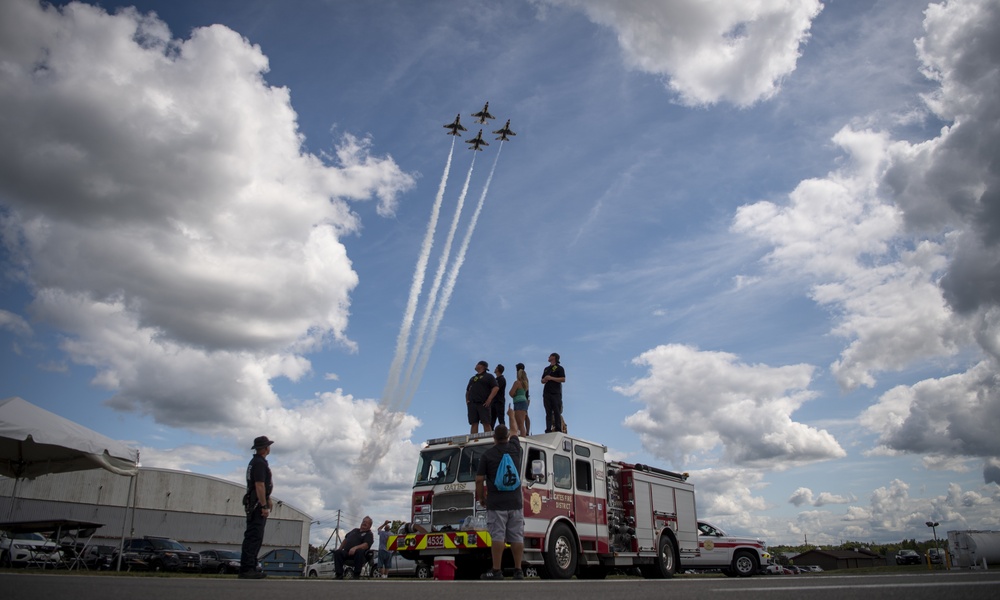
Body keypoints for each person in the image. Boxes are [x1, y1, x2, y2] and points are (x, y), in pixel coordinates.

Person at [476, 407, 524, 580]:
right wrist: (512, 415)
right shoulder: (515, 449)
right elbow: (515, 431)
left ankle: (497, 570)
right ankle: (518, 570)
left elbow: (479, 479)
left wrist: (482, 498)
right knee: (517, 536)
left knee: (498, 536)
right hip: (516, 502)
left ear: (494, 437)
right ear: (507, 437)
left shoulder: (488, 455)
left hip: (496, 503)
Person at [239, 435, 274, 579]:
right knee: (254, 536)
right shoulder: (260, 463)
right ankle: (247, 568)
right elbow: (259, 484)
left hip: (254, 501)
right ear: (266, 448)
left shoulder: (255, 462)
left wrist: (267, 497)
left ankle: (251, 566)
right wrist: (263, 505)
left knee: (255, 536)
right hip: (256, 504)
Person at [466, 360, 499, 433]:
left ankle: (489, 439)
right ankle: (473, 440)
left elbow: (495, 387)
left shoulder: (489, 376)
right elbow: (468, 390)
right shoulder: (472, 378)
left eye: (477, 364)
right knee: (474, 423)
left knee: (486, 423)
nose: (476, 365)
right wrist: (467, 401)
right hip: (472, 403)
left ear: (482, 366)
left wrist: (489, 399)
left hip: (483, 403)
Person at [541, 353, 566, 433]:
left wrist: (551, 378)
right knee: (548, 411)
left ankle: (558, 428)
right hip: (547, 392)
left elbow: (563, 379)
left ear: (554, 357)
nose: (548, 357)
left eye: (550, 356)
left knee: (556, 411)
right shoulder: (546, 369)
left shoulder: (560, 368)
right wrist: (544, 380)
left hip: (555, 393)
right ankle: (548, 429)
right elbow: (542, 380)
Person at [509, 364, 530, 438]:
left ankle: (522, 438)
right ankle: (523, 436)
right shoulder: (525, 383)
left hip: (518, 403)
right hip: (524, 402)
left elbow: (511, 393)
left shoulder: (517, 382)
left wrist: (514, 394)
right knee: (521, 423)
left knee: (519, 423)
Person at [491, 364, 507, 428]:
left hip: (499, 401)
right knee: (491, 420)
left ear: (498, 369)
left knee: (501, 418)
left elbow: (497, 388)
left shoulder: (501, 379)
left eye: (496, 368)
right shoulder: (495, 379)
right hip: (493, 401)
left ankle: (503, 432)